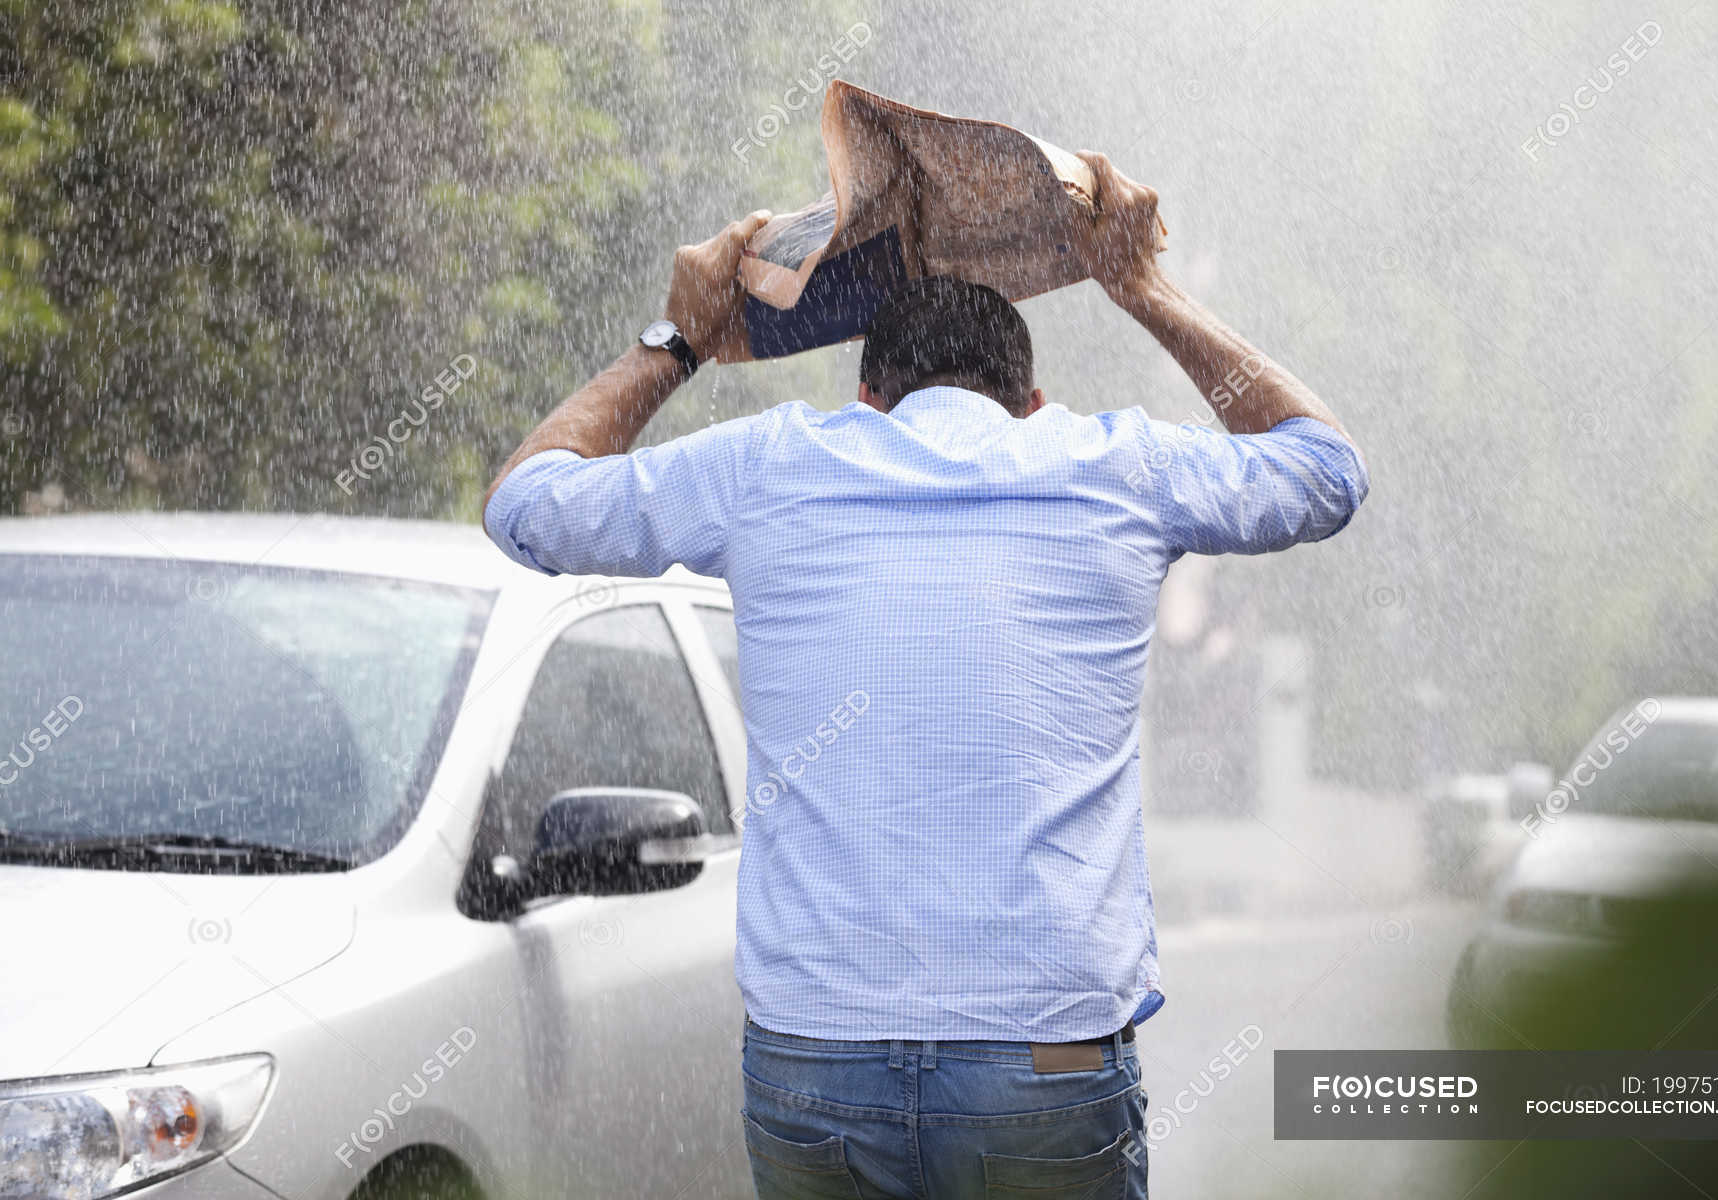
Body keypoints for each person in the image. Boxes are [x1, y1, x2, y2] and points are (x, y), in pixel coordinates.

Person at [482, 153, 1367, 1199]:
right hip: (1046, 1062)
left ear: (868, 395)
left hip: (819, 1064)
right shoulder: (1119, 469)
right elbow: (1326, 472)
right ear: (1030, 400)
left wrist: (682, 337)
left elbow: (526, 504)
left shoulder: (766, 469)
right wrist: (1144, 289)